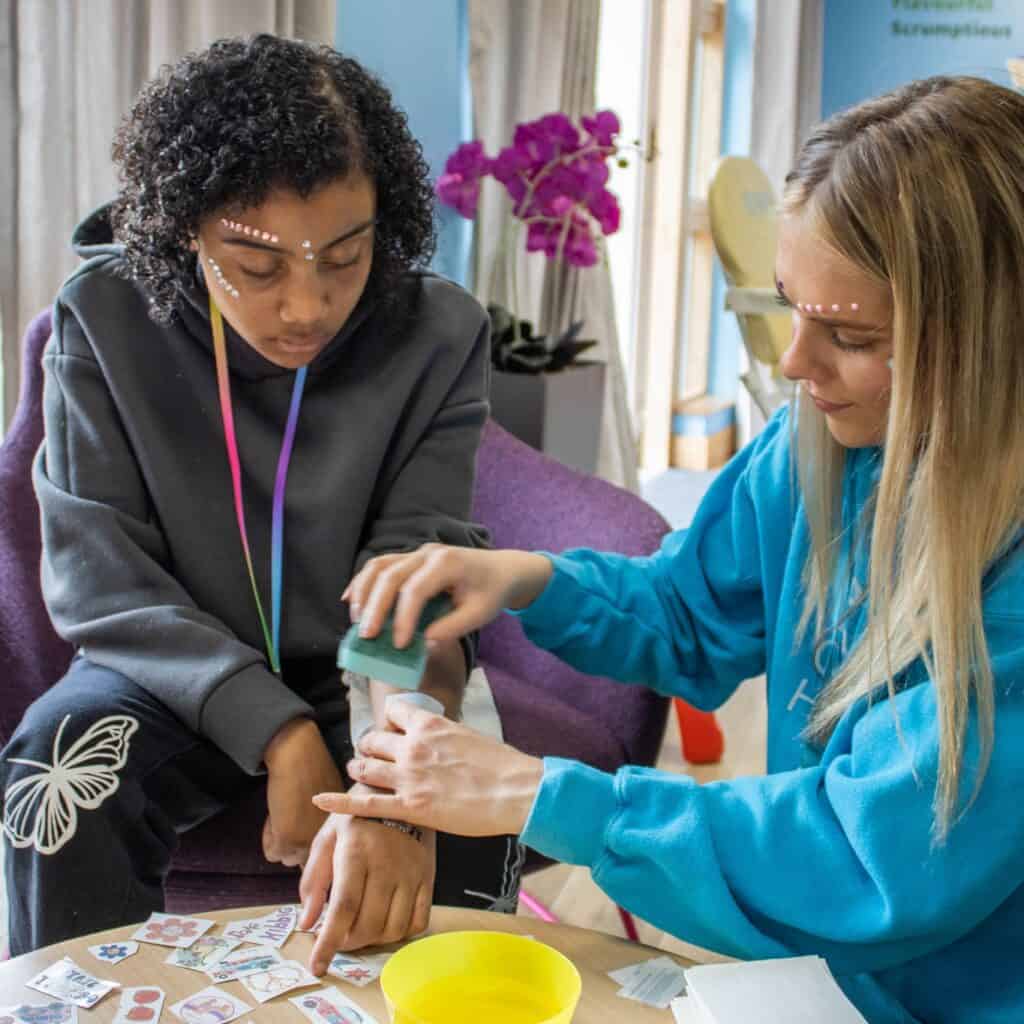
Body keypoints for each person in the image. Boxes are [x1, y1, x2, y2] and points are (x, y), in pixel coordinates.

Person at [313, 76, 1024, 1023]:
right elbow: (693, 611)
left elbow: (867, 859)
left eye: (851, 335)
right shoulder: (821, 445)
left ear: (988, 346)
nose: (794, 365)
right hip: (825, 972)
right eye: (790, 309)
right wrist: (526, 578)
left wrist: (541, 794)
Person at [0, 34, 521, 971]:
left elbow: (416, 563)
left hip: (370, 667)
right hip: (170, 669)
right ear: (182, 230)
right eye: (258, 265)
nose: (305, 308)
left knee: (475, 813)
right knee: (59, 769)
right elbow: (100, 578)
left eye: (346, 258)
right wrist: (276, 732)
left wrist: (384, 784)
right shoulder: (101, 320)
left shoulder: (439, 331)